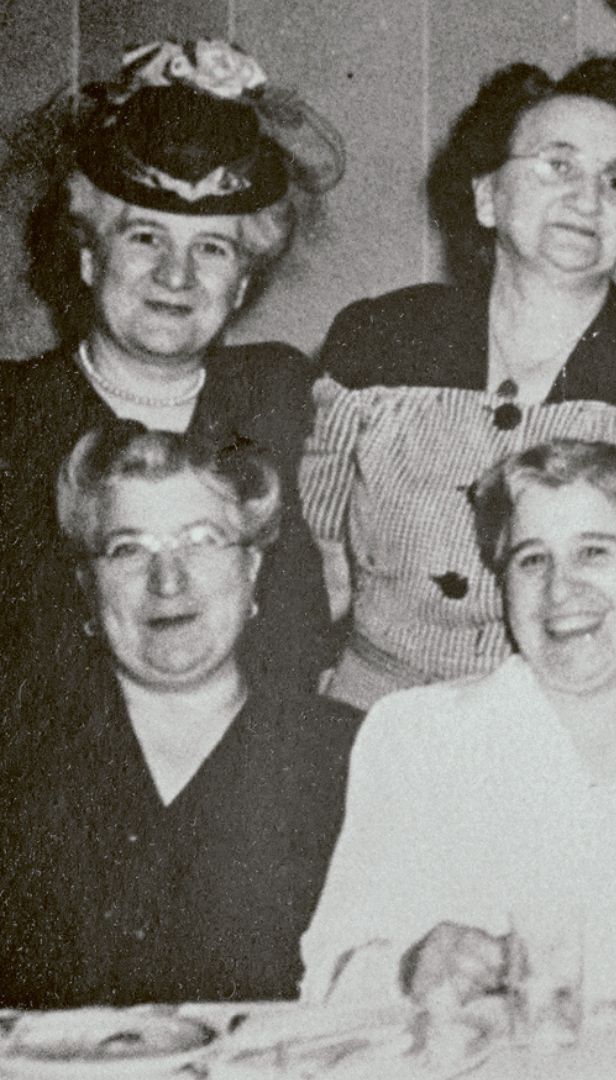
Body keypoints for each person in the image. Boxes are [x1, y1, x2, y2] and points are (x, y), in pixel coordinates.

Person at [302, 57, 616, 711]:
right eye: (557, 166)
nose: (588, 199)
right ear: (486, 195)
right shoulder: (379, 341)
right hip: (377, 725)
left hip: (599, 733)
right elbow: (322, 573)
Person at [300, 440, 616, 1012]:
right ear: (503, 587)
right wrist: (408, 966)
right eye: (532, 559)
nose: (560, 590)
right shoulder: (418, 737)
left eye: (594, 553)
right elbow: (329, 976)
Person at [0, 39, 343, 711]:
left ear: (241, 284)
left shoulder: (282, 400)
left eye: (211, 248)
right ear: (90, 258)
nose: (176, 276)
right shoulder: (13, 415)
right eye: (145, 237)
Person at [0, 426, 360, 1008]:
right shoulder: (17, 754)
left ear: (251, 572)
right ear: (88, 588)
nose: (168, 581)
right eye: (128, 549)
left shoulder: (348, 754)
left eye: (201, 540)